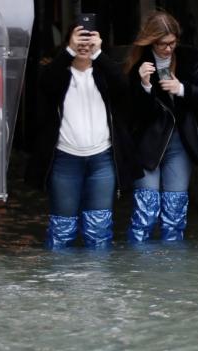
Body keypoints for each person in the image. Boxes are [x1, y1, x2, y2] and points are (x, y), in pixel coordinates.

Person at [27, 25, 136, 249]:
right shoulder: (57, 73)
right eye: (79, 40)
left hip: (102, 159)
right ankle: (61, 280)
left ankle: (97, 281)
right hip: (66, 158)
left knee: (99, 230)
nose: (84, 45)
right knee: (62, 229)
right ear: (69, 43)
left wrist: (98, 53)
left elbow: (123, 86)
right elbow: (45, 84)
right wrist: (69, 51)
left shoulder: (105, 73)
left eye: (89, 41)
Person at [125, 11, 198, 243]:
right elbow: (130, 112)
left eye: (172, 43)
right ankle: (140, 268)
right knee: (145, 212)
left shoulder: (188, 58)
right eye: (162, 44)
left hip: (180, 141)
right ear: (151, 41)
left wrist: (182, 89)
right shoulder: (138, 62)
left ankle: (172, 270)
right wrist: (144, 85)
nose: (168, 49)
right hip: (147, 143)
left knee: (175, 213)